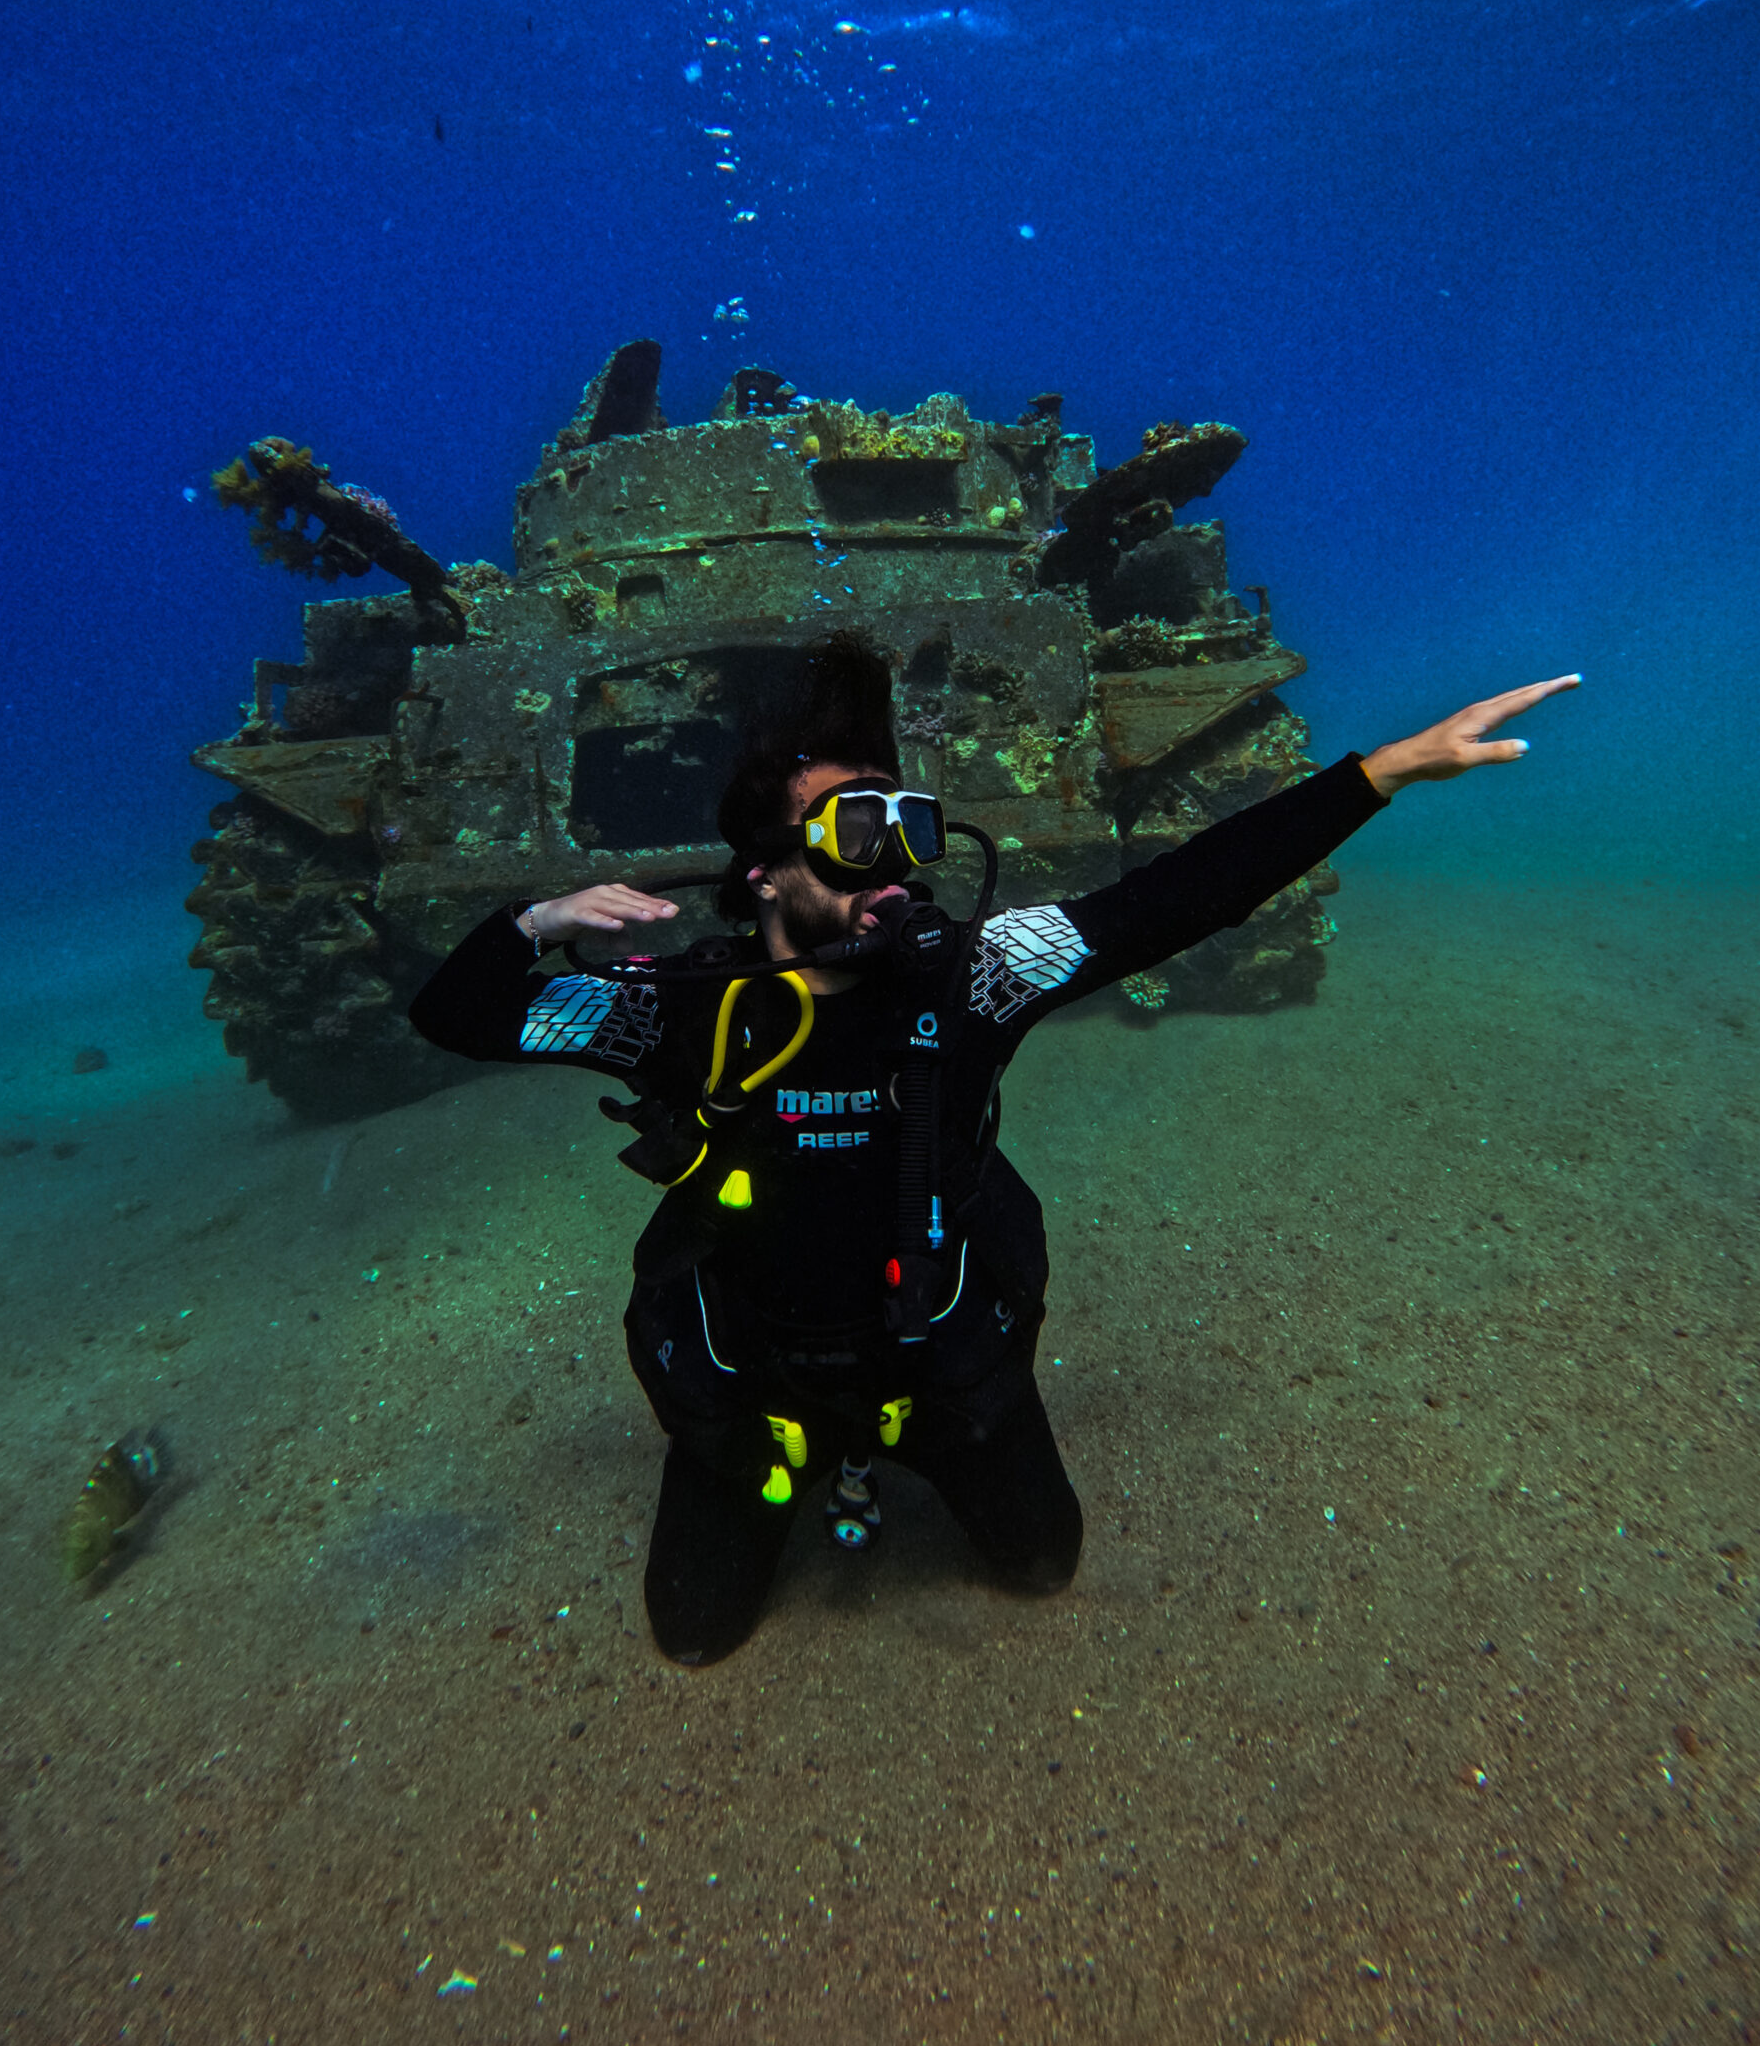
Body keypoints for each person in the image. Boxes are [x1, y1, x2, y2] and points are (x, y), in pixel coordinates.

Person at [410, 637, 1578, 1665]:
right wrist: (530, 928)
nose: (895, 866)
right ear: (763, 870)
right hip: (753, 1370)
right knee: (692, 1630)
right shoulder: (673, 1009)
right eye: (854, 835)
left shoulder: (974, 972)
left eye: (906, 828)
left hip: (942, 1353)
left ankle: (928, 1438)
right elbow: (457, 1016)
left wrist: (1379, 773)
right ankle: (766, 1452)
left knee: (1041, 1562)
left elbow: (1178, 899)